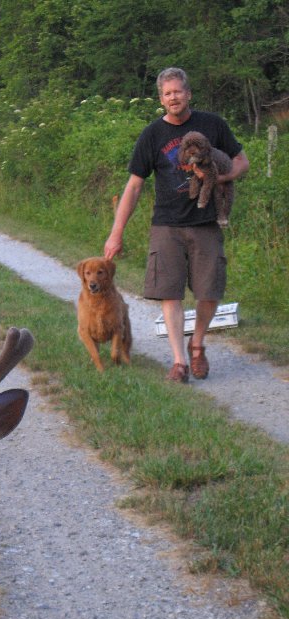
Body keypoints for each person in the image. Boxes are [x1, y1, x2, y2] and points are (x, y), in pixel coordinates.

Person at [104, 67, 249, 383]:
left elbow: (242, 162)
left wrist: (218, 178)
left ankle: (197, 344)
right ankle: (179, 362)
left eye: (178, 91)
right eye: (167, 93)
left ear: (188, 94)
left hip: (206, 222)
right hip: (166, 225)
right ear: (161, 98)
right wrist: (117, 232)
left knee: (209, 291)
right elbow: (134, 186)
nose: (173, 97)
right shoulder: (152, 135)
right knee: (169, 293)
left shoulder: (212, 125)